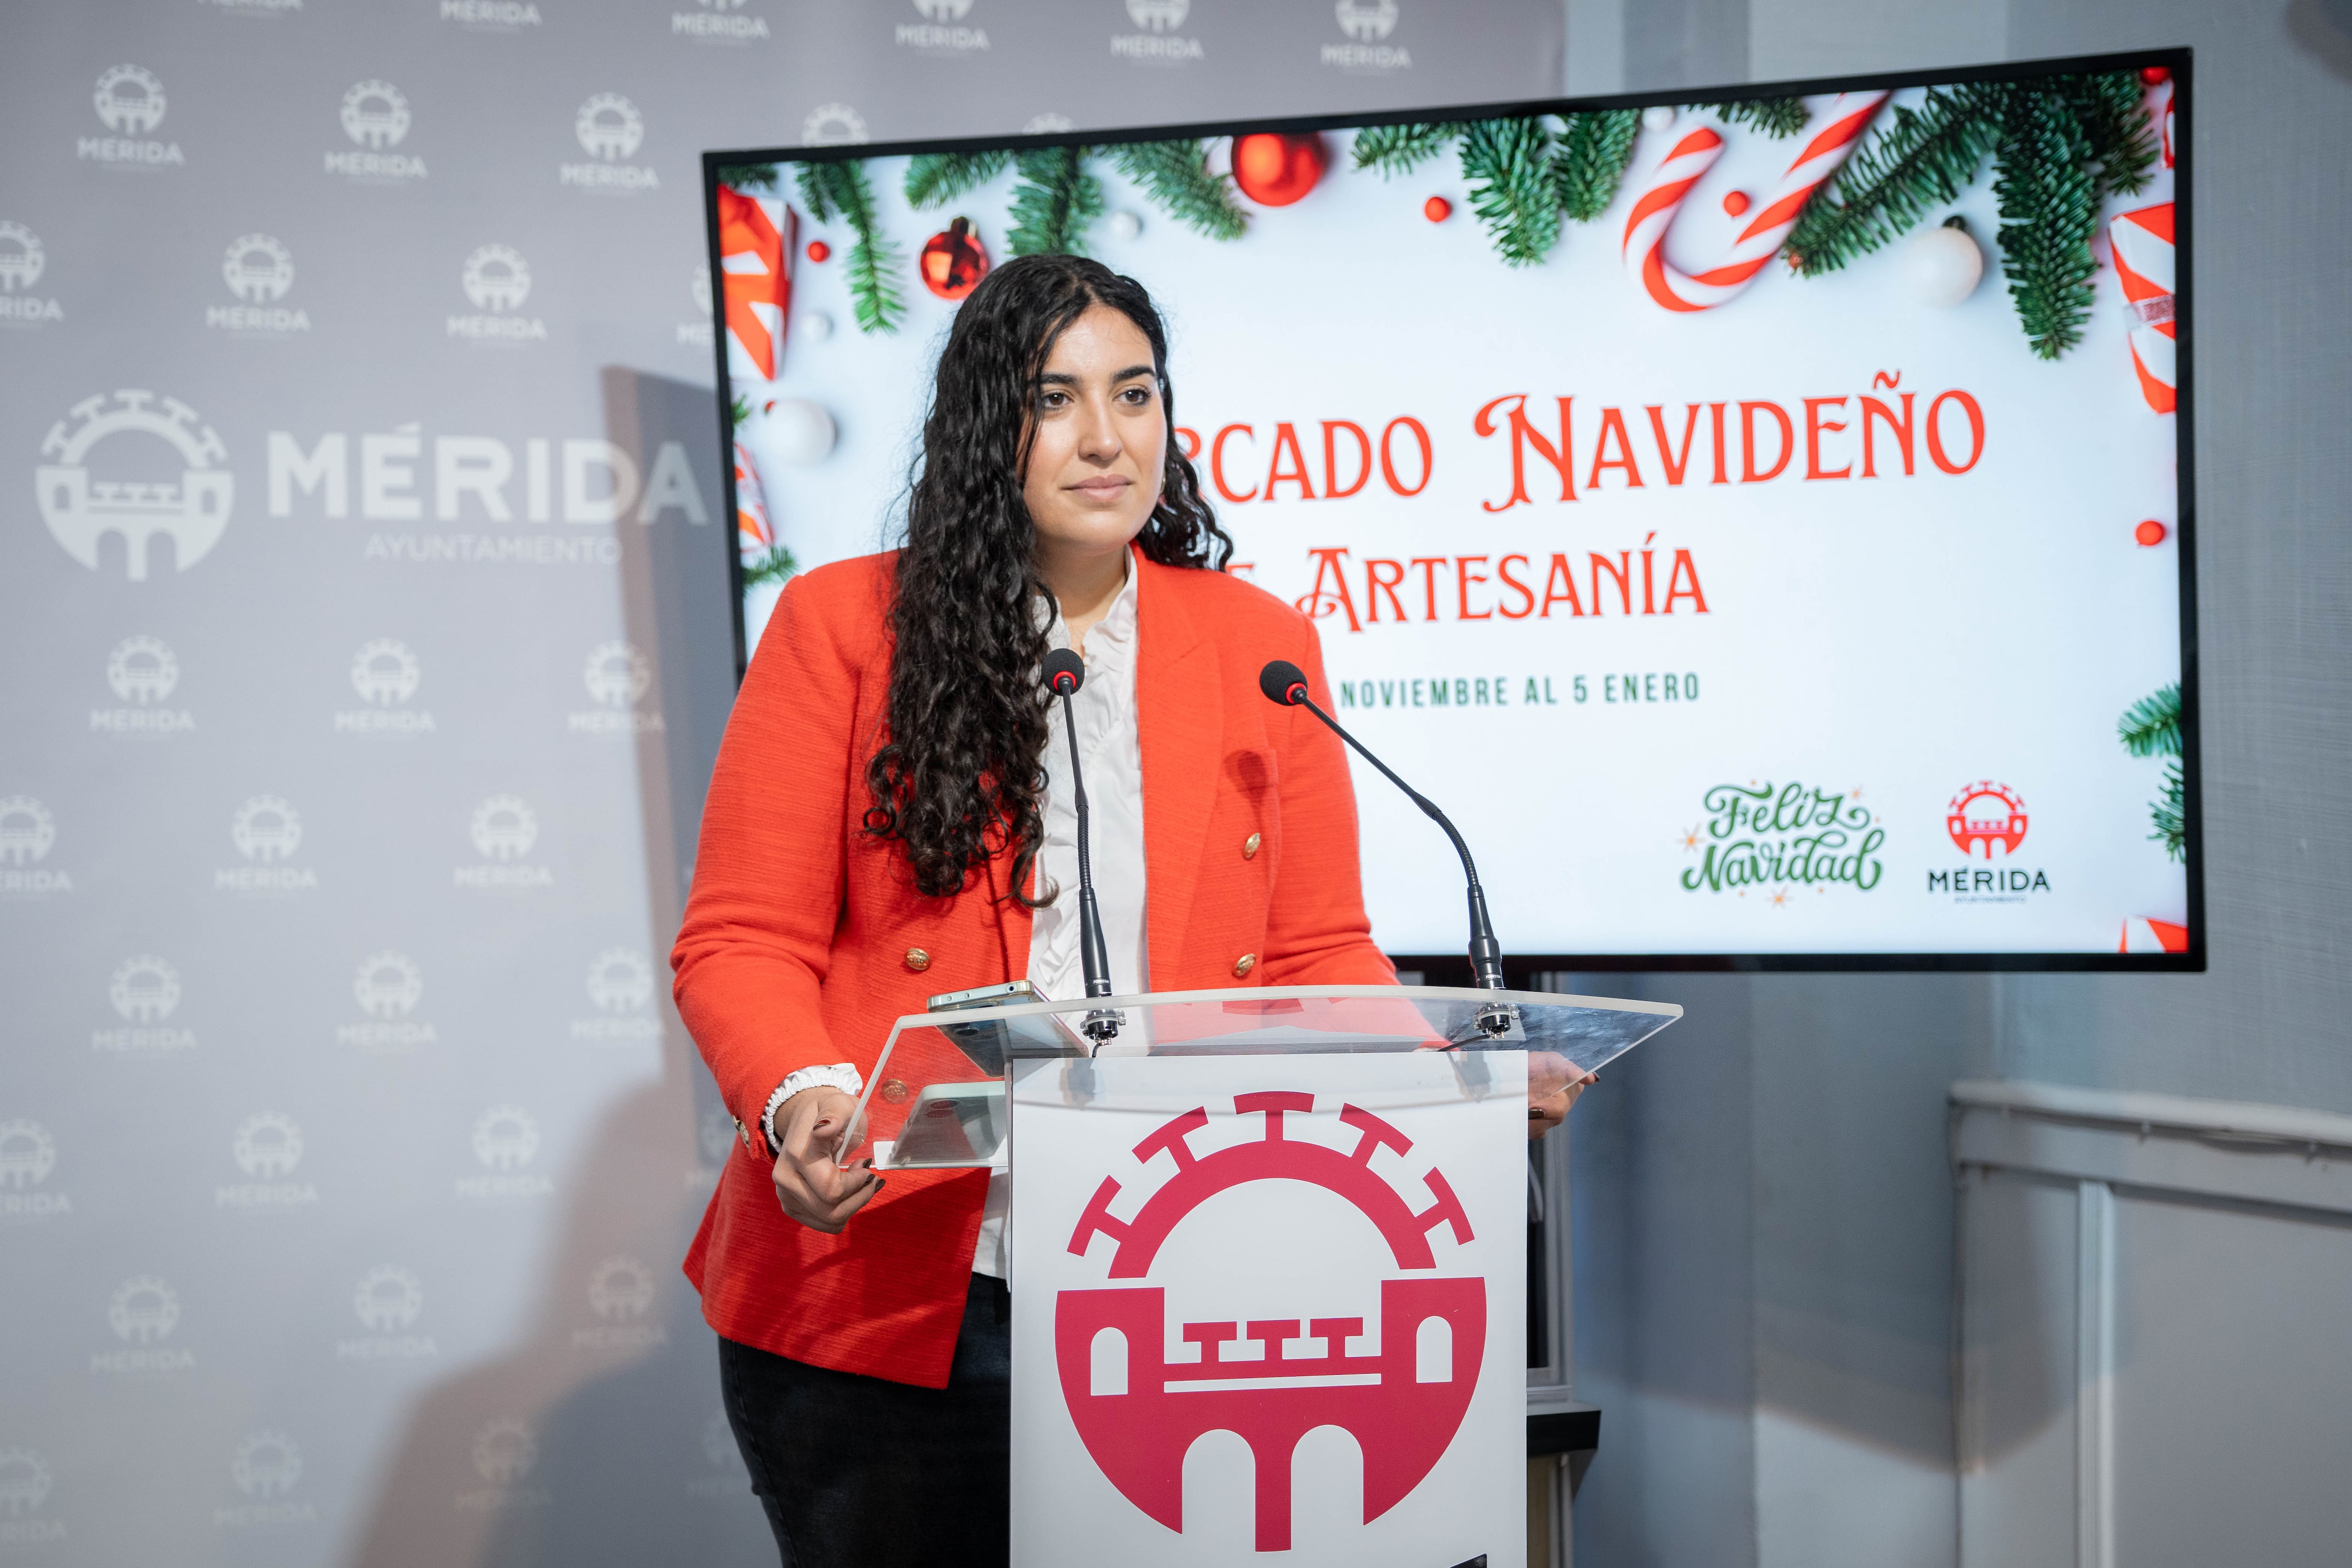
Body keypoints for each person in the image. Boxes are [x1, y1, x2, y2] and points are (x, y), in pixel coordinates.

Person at [672, 252, 1585, 1568]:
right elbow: (742, 940)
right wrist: (809, 1100)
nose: (1108, 438)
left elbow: (1317, 947)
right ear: (992, 426)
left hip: (1176, 1268)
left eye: (1138, 393)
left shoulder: (1255, 639)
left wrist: (1446, 1076)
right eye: (1057, 399)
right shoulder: (843, 626)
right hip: (899, 1285)